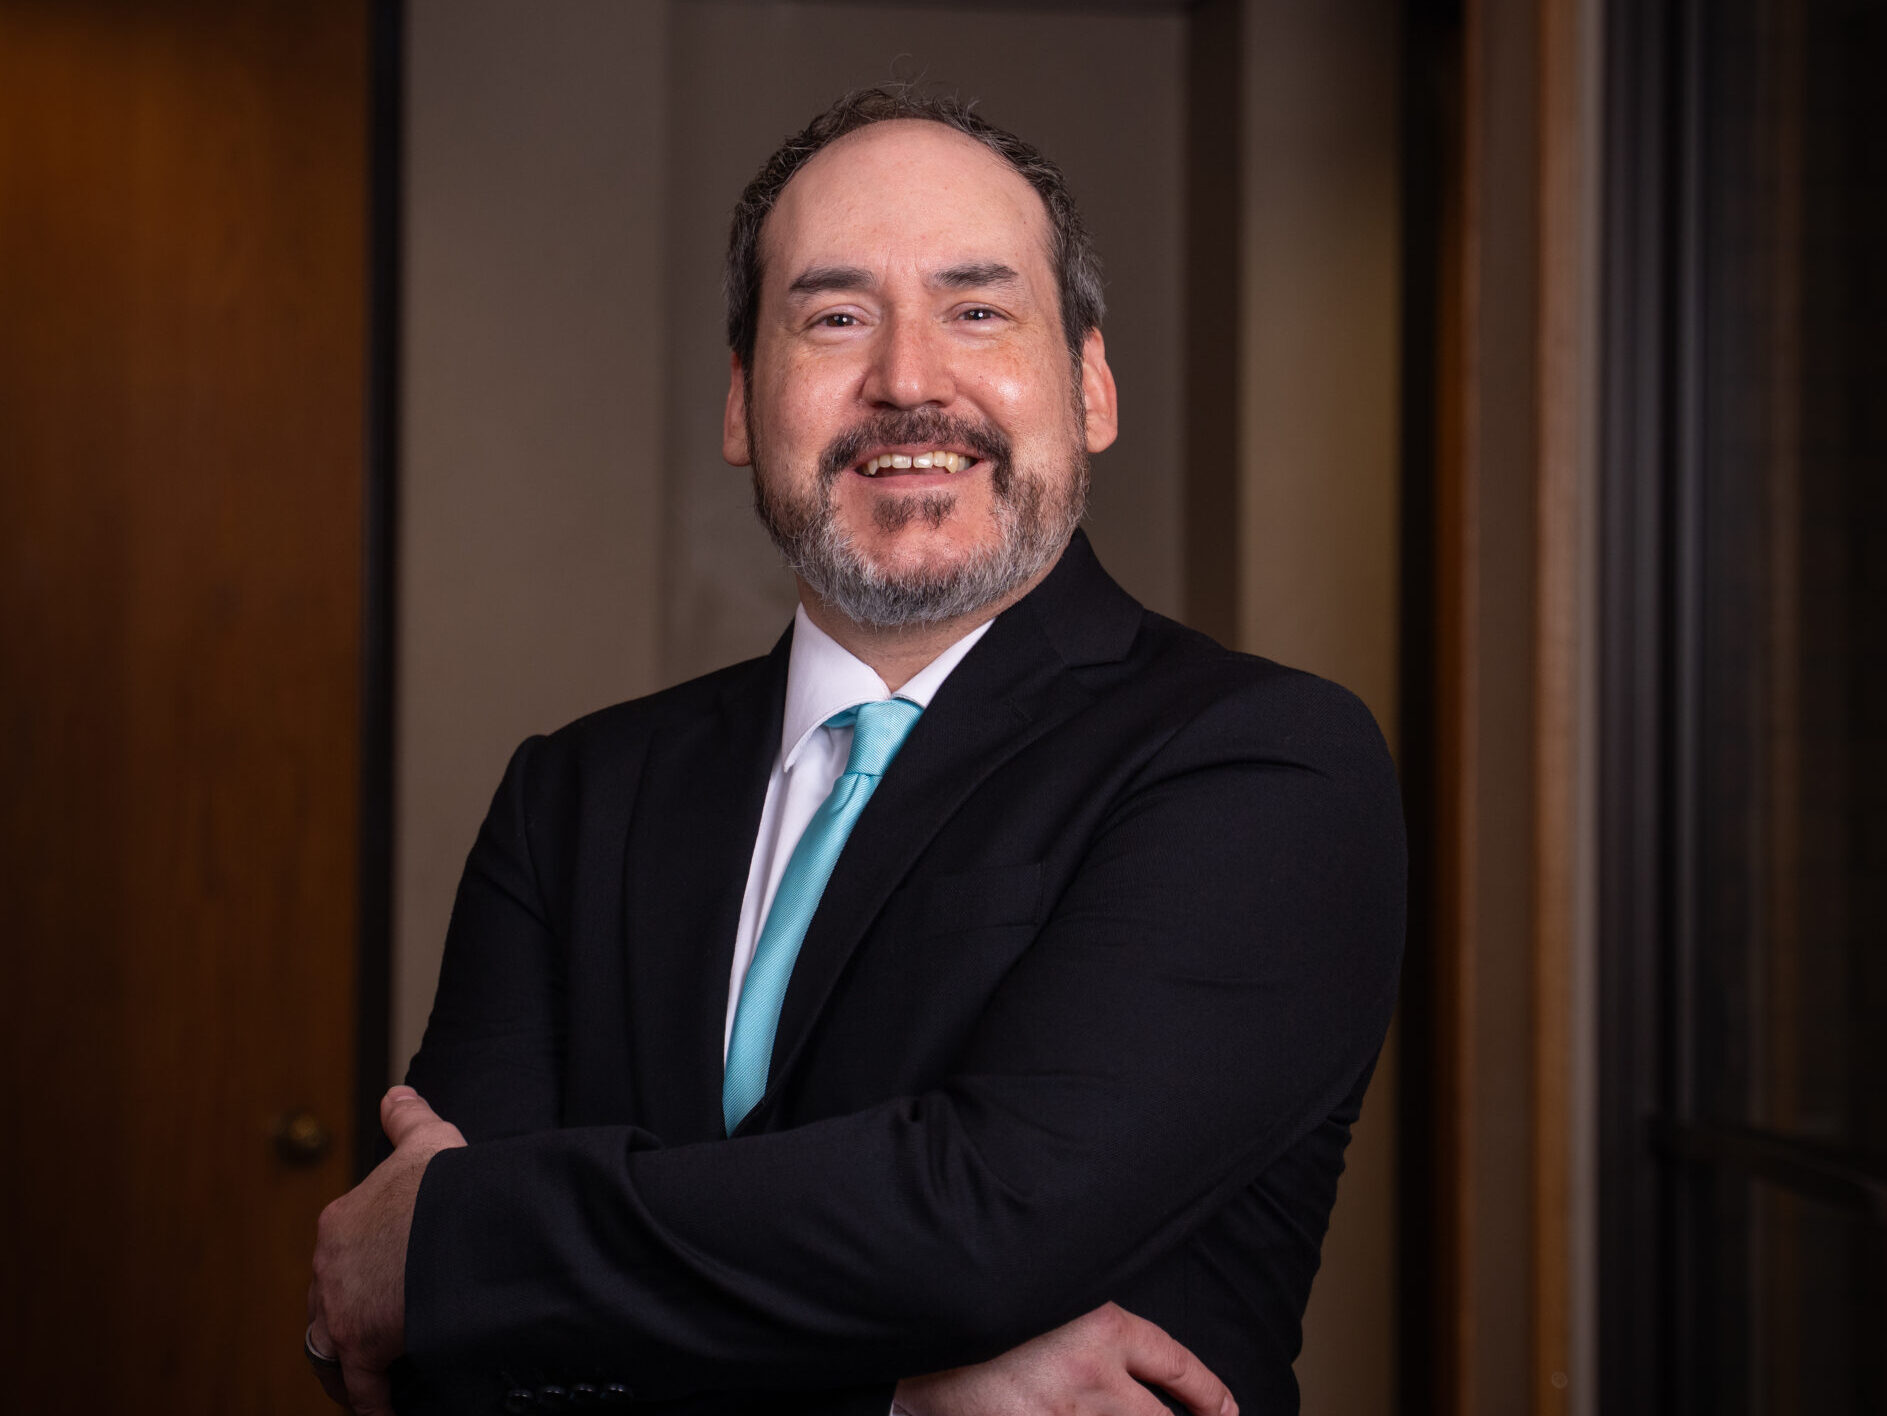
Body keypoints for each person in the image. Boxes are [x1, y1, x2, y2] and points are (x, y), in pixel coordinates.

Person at [307, 87, 1405, 1416]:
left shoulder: (1262, 766)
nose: (907, 380)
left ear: (1092, 387)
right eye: (834, 317)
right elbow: (442, 1372)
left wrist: (457, 1239)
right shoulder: (576, 800)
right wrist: (896, 1396)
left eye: (977, 309)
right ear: (741, 403)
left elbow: (986, 1224)